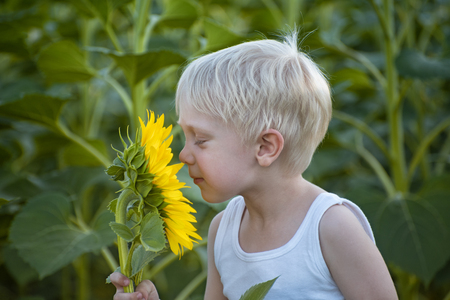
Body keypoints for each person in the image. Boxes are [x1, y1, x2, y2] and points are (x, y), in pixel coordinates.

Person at [111, 31, 398, 300]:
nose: (184, 155)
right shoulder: (223, 231)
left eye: (200, 139)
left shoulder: (330, 226)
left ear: (265, 147)